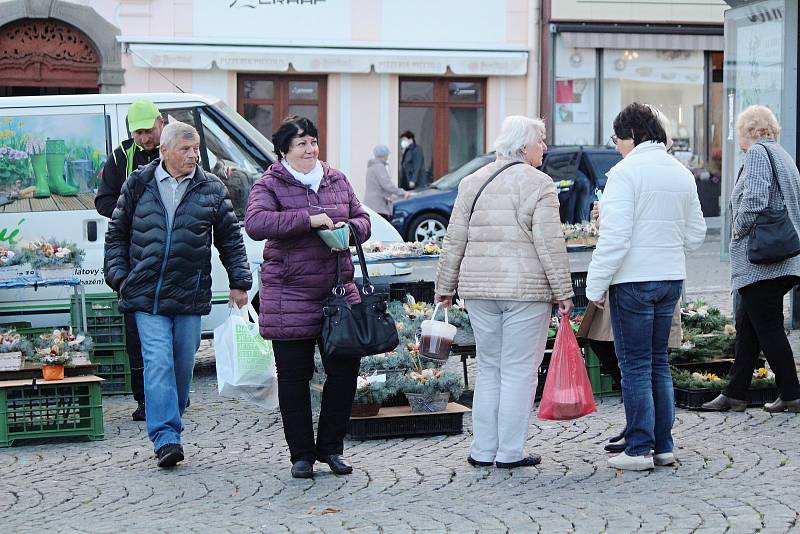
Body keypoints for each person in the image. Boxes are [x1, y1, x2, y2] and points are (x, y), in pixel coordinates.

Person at [104, 121, 252, 468]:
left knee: (182, 366)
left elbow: (230, 238)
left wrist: (239, 281)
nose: (193, 155)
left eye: (196, 148)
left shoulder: (211, 188)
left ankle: (172, 413)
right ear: (164, 151)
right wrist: (120, 278)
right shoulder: (138, 183)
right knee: (156, 364)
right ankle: (167, 437)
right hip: (145, 294)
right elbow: (116, 234)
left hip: (188, 292)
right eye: (185, 149)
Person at [434, 115, 574, 469]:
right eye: (541, 140)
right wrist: (563, 292)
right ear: (524, 145)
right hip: (524, 292)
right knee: (518, 371)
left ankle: (482, 450)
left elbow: (454, 239)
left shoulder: (472, 181)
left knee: (491, 368)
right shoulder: (539, 184)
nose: (545, 147)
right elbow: (549, 243)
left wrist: (444, 287)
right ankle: (510, 452)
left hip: (479, 290)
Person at [244, 116, 371, 480]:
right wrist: (309, 219)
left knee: (344, 374)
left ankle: (331, 447)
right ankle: (301, 454)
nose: (310, 149)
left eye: (313, 142)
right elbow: (256, 224)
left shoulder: (336, 178)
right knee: (294, 379)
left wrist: (351, 229)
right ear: (284, 150)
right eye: (301, 143)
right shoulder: (270, 183)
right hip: (289, 297)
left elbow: (363, 219)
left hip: (338, 294)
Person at [586, 102, 706, 471]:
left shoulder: (625, 173)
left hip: (633, 280)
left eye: (617, 138)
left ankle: (639, 448)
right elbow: (697, 235)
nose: (616, 145)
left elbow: (615, 238)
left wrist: (595, 285)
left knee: (635, 366)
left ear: (632, 136)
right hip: (670, 278)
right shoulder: (681, 173)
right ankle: (664, 445)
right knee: (658, 364)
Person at [702, 105, 800, 413]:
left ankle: (792, 393)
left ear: (749, 131)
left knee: (767, 325)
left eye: (740, 131)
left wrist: (737, 230)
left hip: (762, 260)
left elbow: (755, 198)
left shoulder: (759, 154)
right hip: (781, 258)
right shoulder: (783, 155)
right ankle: (736, 392)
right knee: (749, 324)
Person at [96, 99, 165, 422]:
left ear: (161, 123)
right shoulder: (121, 157)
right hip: (133, 254)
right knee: (136, 334)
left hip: (170, 256)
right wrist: (135, 211)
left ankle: (172, 395)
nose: (144, 139)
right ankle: (144, 400)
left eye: (148, 131)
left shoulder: (176, 150)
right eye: (137, 133)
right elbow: (103, 201)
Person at [364, 144, 410, 219]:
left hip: (372, 204)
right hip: (378, 205)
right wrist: (403, 193)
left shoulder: (372, 166)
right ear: (384, 155)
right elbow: (387, 185)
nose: (388, 156)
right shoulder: (379, 167)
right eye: (387, 154)